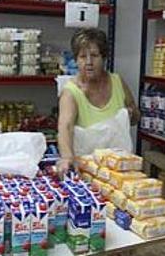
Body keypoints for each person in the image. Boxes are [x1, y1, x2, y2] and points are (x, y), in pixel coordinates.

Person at [57, 28, 140, 174]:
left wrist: (130, 114)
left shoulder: (118, 82)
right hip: (87, 170)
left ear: (104, 57)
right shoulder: (71, 92)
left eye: (94, 55)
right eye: (83, 57)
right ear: (76, 60)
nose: (89, 62)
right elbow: (65, 127)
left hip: (118, 169)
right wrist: (67, 157)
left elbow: (136, 118)